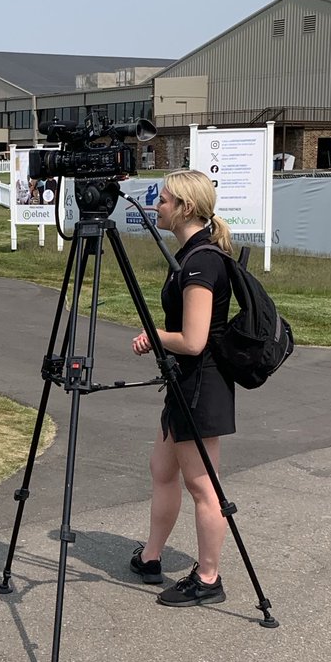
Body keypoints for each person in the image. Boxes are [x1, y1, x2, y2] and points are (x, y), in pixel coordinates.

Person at [129, 170, 235, 607]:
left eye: (165, 200)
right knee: (161, 469)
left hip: (200, 386)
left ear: (186, 208)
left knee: (202, 486)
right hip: (183, 384)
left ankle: (209, 578)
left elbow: (193, 340)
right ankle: (151, 557)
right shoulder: (189, 256)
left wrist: (153, 334)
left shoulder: (201, 262)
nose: (158, 206)